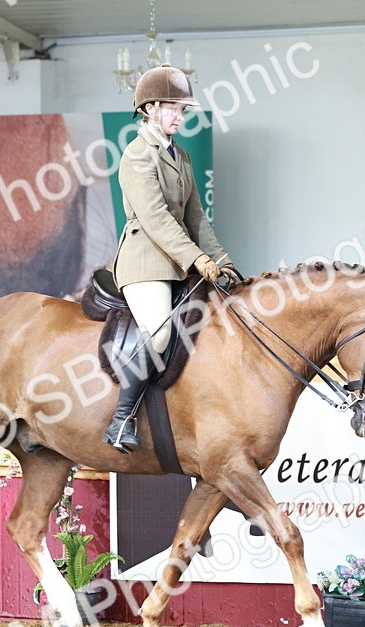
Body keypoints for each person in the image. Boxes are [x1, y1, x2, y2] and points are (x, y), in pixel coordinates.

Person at [103, 65, 235, 453]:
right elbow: (156, 218)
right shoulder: (136, 155)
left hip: (178, 259)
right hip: (145, 259)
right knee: (159, 332)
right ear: (150, 108)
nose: (180, 116)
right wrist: (196, 259)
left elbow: (196, 216)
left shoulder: (182, 157)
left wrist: (221, 260)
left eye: (183, 110)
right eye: (174, 109)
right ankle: (121, 419)